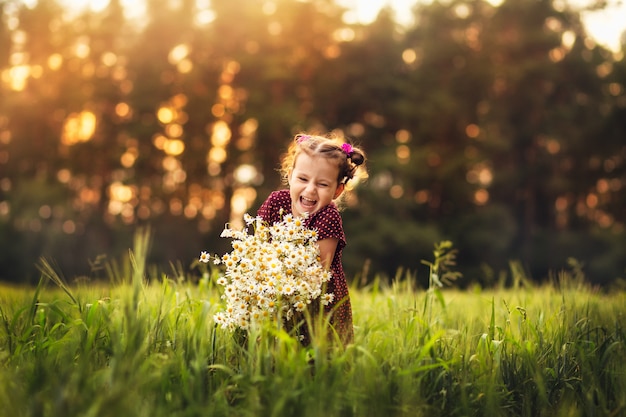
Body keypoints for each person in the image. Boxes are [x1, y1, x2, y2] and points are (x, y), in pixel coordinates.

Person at [256, 132, 367, 346]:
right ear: (290, 176)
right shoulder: (276, 202)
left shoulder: (328, 216)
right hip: (273, 291)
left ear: (337, 190)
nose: (310, 190)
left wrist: (283, 300)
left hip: (317, 301)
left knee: (315, 353)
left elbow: (317, 274)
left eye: (323, 184)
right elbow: (258, 249)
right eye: (303, 179)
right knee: (267, 348)